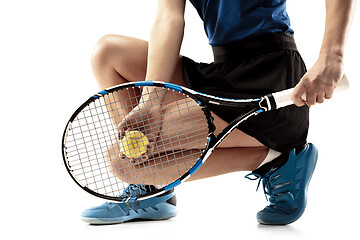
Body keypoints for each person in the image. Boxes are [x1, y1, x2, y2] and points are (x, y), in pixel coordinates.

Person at [80, 0, 356, 225]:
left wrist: (334, 56)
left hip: (271, 77)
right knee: (108, 53)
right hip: (222, 73)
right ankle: (153, 186)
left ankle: (274, 158)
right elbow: (168, 18)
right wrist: (151, 102)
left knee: (122, 163)